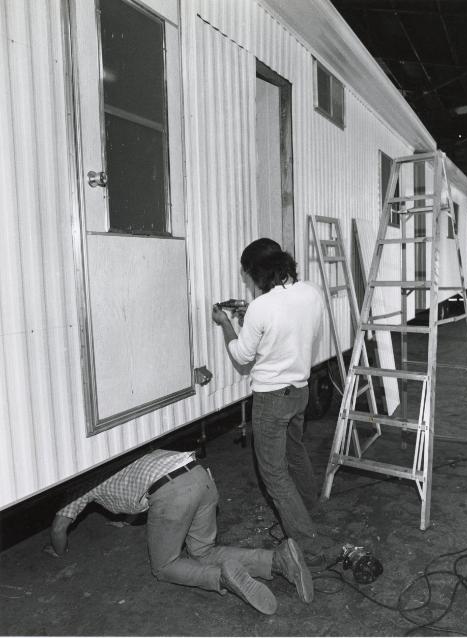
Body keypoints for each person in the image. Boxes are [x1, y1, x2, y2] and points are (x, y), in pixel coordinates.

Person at [46, 448, 314, 614]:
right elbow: (134, 486)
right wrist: (127, 521)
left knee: (164, 566)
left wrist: (57, 551)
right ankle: (277, 561)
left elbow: (59, 528)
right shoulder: (121, 448)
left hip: (171, 493)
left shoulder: (78, 484)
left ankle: (221, 578)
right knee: (203, 550)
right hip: (199, 475)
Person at [212, 238, 326, 570]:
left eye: (248, 275)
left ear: (259, 271)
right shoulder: (310, 293)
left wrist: (227, 325)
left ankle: (306, 545)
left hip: (272, 399)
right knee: (295, 451)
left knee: (274, 474)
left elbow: (242, 356)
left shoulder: (263, 307)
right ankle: (309, 507)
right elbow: (289, 325)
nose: (248, 281)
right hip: (299, 391)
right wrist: (254, 318)